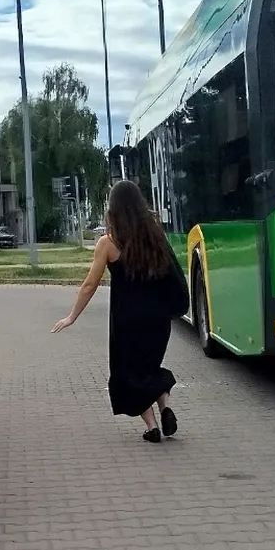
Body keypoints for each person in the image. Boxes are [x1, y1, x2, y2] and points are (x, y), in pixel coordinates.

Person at [52, 179, 190, 442]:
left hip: (128, 321)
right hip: (158, 320)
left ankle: (151, 427)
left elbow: (90, 284)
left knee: (127, 375)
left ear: (113, 209)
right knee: (149, 368)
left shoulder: (108, 243)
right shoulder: (155, 235)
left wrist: (72, 316)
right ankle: (165, 404)